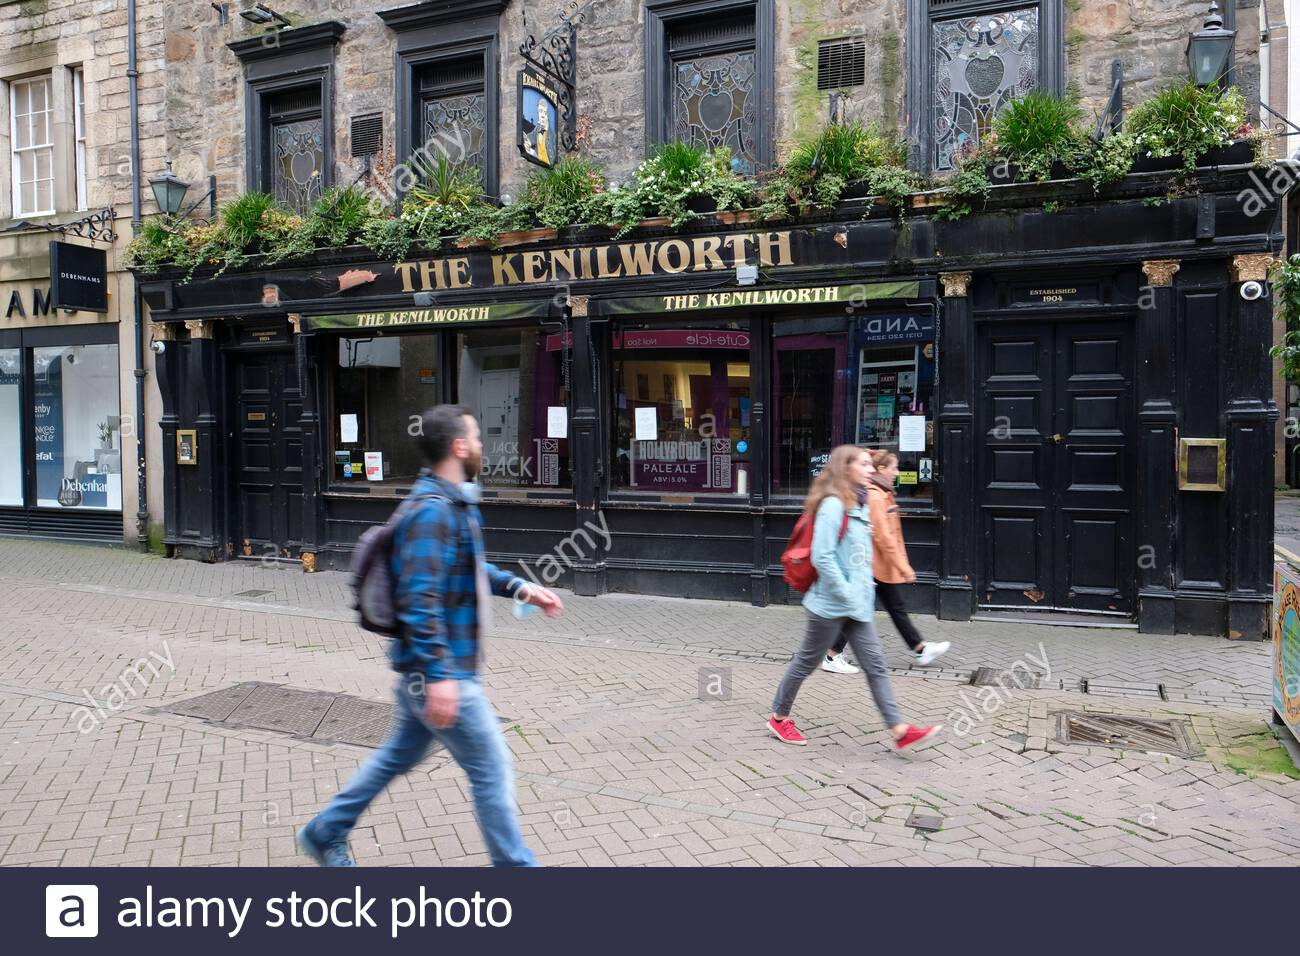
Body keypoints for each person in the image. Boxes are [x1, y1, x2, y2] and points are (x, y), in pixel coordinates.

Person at [298, 404, 564, 867]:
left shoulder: (450, 502)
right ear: (459, 446)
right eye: (476, 438)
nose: (481, 446)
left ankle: (326, 831)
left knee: (396, 758)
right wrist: (440, 676)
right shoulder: (434, 511)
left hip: (426, 673)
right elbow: (419, 600)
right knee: (492, 769)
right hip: (442, 673)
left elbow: (463, 567)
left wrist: (521, 587)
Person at [767, 444, 940, 750]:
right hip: (830, 605)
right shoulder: (834, 505)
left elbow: (860, 556)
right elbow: (822, 556)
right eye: (863, 464)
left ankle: (899, 730)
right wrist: (847, 591)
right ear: (846, 469)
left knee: (876, 666)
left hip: (857, 606)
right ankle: (779, 718)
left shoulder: (859, 502)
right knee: (807, 662)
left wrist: (862, 592)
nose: (871, 469)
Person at [823, 448, 950, 673]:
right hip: (872, 564)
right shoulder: (875, 495)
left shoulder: (881, 492)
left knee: (891, 607)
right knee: (859, 609)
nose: (897, 472)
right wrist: (903, 567)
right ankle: (832, 655)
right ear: (881, 469)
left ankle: (920, 648)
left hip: (876, 564)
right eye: (894, 467)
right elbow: (883, 535)